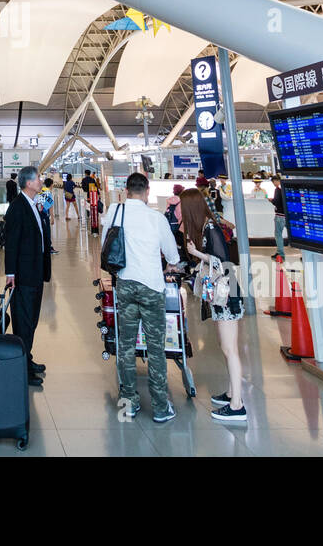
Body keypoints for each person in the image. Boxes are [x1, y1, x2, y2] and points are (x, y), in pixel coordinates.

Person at [104, 172, 182, 423]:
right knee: (156, 348)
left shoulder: (116, 213)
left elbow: (106, 245)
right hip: (151, 287)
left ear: (126, 190)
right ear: (147, 191)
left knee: (126, 346)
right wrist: (170, 265)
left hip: (125, 285)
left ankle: (128, 403)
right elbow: (172, 256)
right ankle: (160, 407)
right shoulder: (155, 218)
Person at [181, 187, 247, 423]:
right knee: (224, 345)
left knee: (230, 350)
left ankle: (237, 404)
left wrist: (197, 253)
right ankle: (231, 393)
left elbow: (222, 260)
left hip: (226, 295)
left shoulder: (210, 228)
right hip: (222, 295)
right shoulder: (205, 227)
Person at [3, 165, 49, 386]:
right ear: (29, 183)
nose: (41, 181)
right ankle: (22, 367)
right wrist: (10, 273)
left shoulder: (32, 205)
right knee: (23, 321)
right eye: (38, 178)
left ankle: (27, 359)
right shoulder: (17, 207)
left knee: (31, 320)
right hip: (24, 274)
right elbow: (11, 244)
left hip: (35, 271)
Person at [36, 177, 58, 254]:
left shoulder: (40, 190)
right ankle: (49, 248)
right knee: (47, 231)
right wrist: (52, 217)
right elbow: (50, 205)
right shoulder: (48, 192)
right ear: (51, 185)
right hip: (44, 213)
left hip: (37, 213)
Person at [270, 174, 286, 260]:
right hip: (286, 215)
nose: (273, 183)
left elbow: (276, 202)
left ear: (276, 181)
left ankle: (281, 254)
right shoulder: (285, 187)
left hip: (279, 215)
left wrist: (271, 200)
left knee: (278, 234)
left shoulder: (277, 189)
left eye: (273, 182)